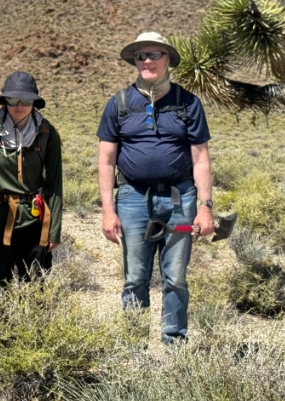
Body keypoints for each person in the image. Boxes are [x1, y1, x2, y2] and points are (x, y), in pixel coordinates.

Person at [96, 31, 214, 344]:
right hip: (132, 200)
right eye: (141, 56)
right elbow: (106, 162)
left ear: (167, 60)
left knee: (175, 277)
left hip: (180, 200)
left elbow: (201, 159)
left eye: (155, 55)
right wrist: (108, 211)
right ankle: (134, 347)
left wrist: (205, 207)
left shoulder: (187, 103)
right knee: (135, 277)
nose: (148, 61)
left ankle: (175, 343)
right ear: (135, 62)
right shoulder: (119, 104)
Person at [0, 71, 63, 286]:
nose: (19, 105)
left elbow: (55, 183)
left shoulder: (46, 133)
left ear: (34, 102)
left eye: (26, 100)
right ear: (4, 101)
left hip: (34, 222)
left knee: (35, 283)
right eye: (12, 99)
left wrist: (54, 230)